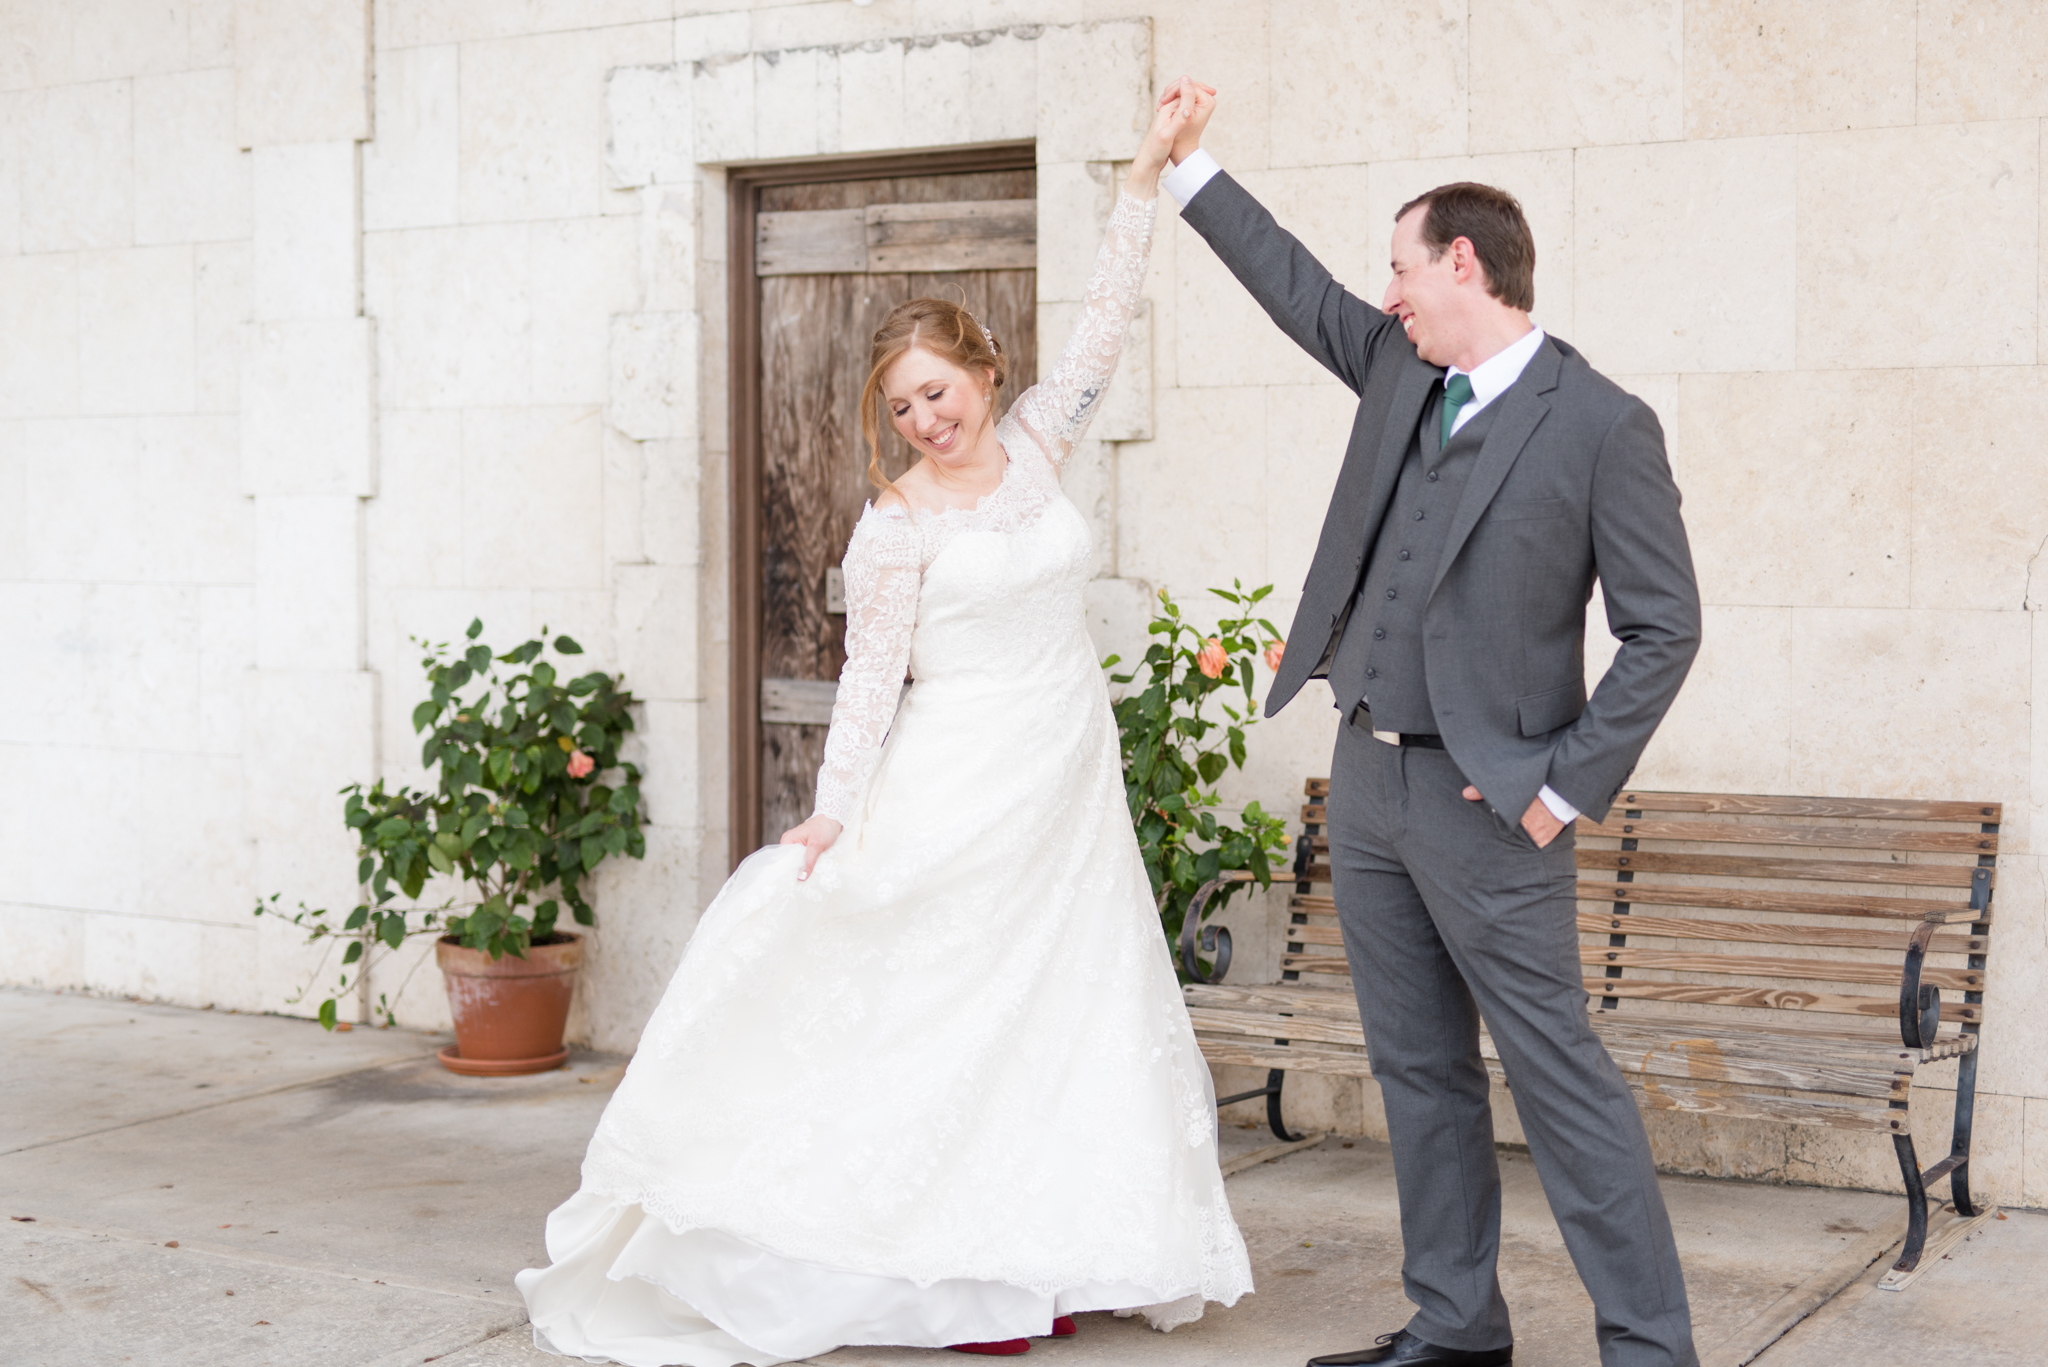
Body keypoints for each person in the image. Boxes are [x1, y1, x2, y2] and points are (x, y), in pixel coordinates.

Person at [514, 80, 1253, 1367]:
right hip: (963, 778)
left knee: (1055, 1011)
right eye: (902, 405)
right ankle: (943, 1276)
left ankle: (1039, 1250)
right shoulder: (894, 526)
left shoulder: (1037, 445)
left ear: (982, 370)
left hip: (1063, 788)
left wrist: (1141, 177)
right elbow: (868, 679)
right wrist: (834, 809)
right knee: (950, 1013)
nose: (926, 418)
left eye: (938, 389)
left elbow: (1103, 322)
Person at [1157, 84, 1702, 1367]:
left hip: (1491, 803)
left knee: (1558, 1081)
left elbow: (1662, 627)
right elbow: (1291, 287)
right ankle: (1457, 1324)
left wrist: (1559, 787)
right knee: (1418, 1071)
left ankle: (1649, 1345)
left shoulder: (1601, 425)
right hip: (1368, 776)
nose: (1385, 294)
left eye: (1400, 269)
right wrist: (1188, 172)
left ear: (1462, 263)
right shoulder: (1401, 369)